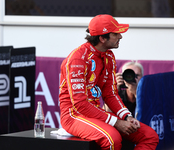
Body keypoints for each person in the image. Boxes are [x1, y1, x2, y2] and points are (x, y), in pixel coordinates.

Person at [59, 14, 159, 150]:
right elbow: (80, 104)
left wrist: (126, 116)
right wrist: (116, 122)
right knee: (112, 139)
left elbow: (110, 93)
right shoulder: (77, 59)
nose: (120, 37)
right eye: (116, 34)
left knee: (150, 136)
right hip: (73, 116)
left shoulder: (109, 56)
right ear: (102, 38)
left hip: (96, 113)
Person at [103, 61, 144, 150]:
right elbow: (106, 114)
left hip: (139, 134)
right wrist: (114, 90)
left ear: (142, 78)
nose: (131, 77)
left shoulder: (147, 94)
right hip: (120, 135)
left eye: (136, 75)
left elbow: (147, 115)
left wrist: (136, 93)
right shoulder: (117, 93)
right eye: (128, 74)